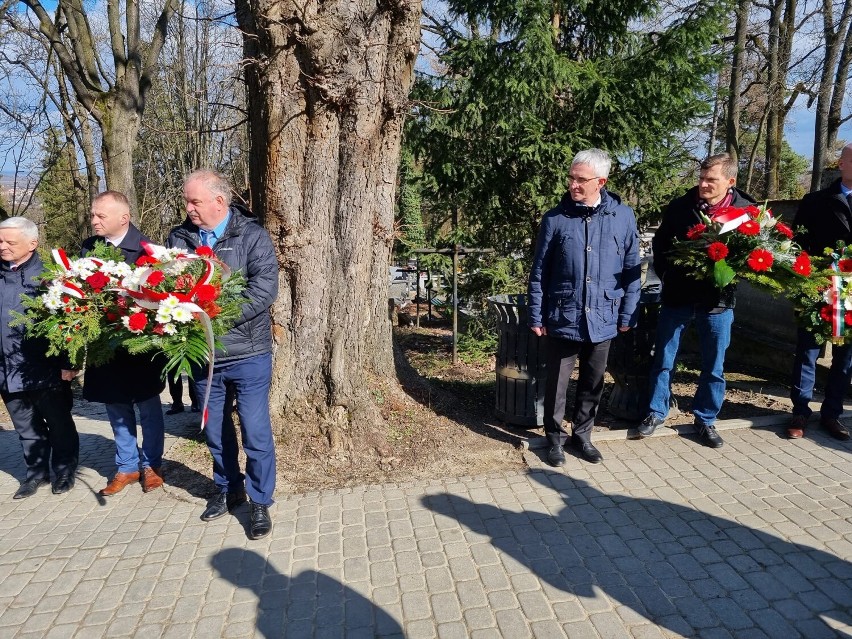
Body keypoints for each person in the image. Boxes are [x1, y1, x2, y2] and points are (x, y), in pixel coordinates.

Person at [168, 170, 278, 540]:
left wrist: (216, 314)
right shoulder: (179, 238)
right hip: (204, 358)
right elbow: (168, 284)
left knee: (255, 429)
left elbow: (264, 289)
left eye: (194, 201)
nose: (188, 208)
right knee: (214, 430)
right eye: (186, 201)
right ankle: (228, 488)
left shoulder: (251, 236)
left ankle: (260, 500)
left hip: (248, 353)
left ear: (220, 201)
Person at [528, 149, 641, 466]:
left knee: (593, 381)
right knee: (557, 385)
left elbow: (633, 268)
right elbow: (539, 272)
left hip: (604, 315)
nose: (573, 184)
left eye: (580, 179)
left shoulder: (623, 216)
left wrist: (629, 311)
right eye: (571, 177)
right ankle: (554, 439)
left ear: (601, 181)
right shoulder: (555, 219)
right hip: (564, 314)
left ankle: (583, 436)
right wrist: (536, 314)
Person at [636, 153, 756, 447]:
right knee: (664, 359)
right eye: (701, 178)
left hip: (718, 301)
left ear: (730, 181)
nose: (703, 184)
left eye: (710, 180)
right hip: (678, 296)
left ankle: (705, 419)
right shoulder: (680, 207)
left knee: (714, 364)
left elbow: (752, 255)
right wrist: (667, 276)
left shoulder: (746, 212)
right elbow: (661, 246)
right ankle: (655, 412)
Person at [80, 191, 167, 495]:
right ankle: (127, 466)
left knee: (148, 407)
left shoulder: (148, 251)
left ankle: (152, 465)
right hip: (105, 344)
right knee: (115, 406)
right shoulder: (89, 249)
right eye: (93, 215)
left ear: (124, 218)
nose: (94, 221)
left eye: (101, 216)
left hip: (140, 344)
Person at [0, 217, 79, 498]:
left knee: (58, 424)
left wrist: (69, 364)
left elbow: (72, 323)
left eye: (10, 242)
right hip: (7, 370)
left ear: (32, 244)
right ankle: (36, 474)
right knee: (26, 428)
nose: (3, 247)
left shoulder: (51, 277)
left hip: (46, 369)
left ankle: (64, 470)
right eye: (0, 241)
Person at [787, 143, 852, 441]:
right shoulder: (815, 201)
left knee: (845, 356)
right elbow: (797, 245)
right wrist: (809, 276)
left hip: (851, 291)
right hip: (819, 285)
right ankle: (800, 411)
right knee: (808, 351)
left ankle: (832, 414)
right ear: (841, 163)